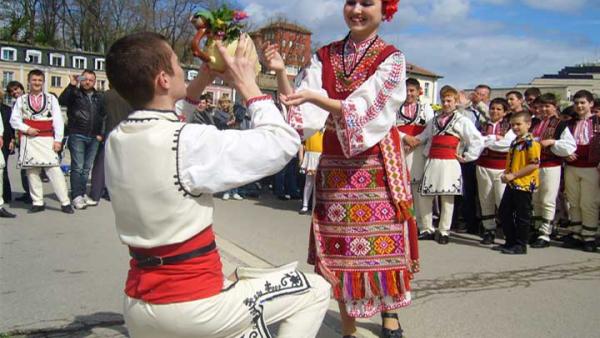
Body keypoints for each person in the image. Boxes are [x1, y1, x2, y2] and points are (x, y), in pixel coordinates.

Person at [104, 31, 329, 338]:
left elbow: (168, 119)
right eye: (176, 63)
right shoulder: (188, 142)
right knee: (315, 289)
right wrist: (247, 85)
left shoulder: (119, 138)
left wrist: (203, 77)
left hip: (139, 306)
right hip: (194, 306)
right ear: (163, 80)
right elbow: (283, 143)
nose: (185, 68)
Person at [266, 1, 419, 336]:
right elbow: (304, 113)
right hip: (336, 161)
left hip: (377, 160)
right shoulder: (326, 55)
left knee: (382, 243)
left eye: (368, 2)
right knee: (343, 248)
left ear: (385, 10)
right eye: (352, 1)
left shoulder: (392, 58)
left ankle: (389, 311)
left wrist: (319, 100)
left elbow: (371, 109)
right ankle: (349, 328)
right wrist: (280, 73)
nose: (357, 9)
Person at [417, 86, 484, 244]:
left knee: (447, 197)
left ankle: (444, 230)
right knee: (425, 195)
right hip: (433, 161)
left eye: (449, 100)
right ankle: (427, 228)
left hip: (450, 162)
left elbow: (477, 140)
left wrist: (467, 157)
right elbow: (424, 136)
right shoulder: (434, 120)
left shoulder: (462, 120)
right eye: (443, 100)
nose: (446, 103)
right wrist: (409, 140)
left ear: (455, 102)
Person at [9, 69, 74, 214]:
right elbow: (14, 120)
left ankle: (65, 202)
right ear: (29, 81)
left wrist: (58, 140)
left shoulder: (51, 99)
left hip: (47, 138)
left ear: (43, 82)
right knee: (32, 171)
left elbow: (58, 120)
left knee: (54, 170)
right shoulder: (21, 100)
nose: (37, 83)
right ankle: (37, 202)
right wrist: (26, 129)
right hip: (29, 138)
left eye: (39, 80)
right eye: (34, 80)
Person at [528, 93, 576, 248]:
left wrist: (553, 142)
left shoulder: (560, 124)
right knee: (536, 199)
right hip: (534, 166)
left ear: (554, 107)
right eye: (541, 106)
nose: (543, 109)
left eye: (547, 106)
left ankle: (546, 233)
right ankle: (537, 228)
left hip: (551, 165)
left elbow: (569, 146)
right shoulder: (534, 123)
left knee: (548, 199)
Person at [59, 69, 105, 210]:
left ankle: (82, 193)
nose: (87, 82)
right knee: (77, 167)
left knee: (86, 168)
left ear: (95, 82)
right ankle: (76, 196)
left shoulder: (99, 97)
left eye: (91, 80)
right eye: (85, 79)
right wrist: (72, 85)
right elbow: (62, 101)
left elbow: (103, 116)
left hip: (94, 136)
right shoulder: (75, 93)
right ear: (81, 79)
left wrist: (101, 133)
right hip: (77, 133)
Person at [496, 111, 541, 255]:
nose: (515, 127)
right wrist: (507, 174)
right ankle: (510, 241)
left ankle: (521, 244)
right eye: (513, 125)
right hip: (512, 183)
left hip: (524, 183)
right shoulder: (516, 141)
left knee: (522, 215)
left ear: (528, 124)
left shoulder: (531, 143)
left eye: (518, 124)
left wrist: (514, 175)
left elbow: (534, 165)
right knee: (504, 212)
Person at [395, 78, 434, 239]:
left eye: (412, 90)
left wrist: (415, 140)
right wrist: (404, 137)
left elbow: (431, 127)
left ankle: (425, 226)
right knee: (404, 189)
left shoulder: (426, 108)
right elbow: (389, 127)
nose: (409, 94)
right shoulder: (395, 108)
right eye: (406, 90)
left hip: (418, 151)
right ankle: (407, 221)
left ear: (419, 92)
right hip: (401, 150)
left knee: (420, 190)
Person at [562, 90, 599, 252]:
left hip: (591, 166)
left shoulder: (598, 121)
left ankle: (590, 235)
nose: (579, 106)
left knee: (588, 202)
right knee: (574, 201)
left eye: (583, 103)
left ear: (591, 104)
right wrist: (565, 153)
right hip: (572, 166)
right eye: (576, 103)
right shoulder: (569, 123)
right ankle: (576, 232)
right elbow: (561, 142)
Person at [476, 98, 515, 244]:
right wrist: (494, 139)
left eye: (499, 109)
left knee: (502, 200)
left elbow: (507, 145)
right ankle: (489, 230)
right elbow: (475, 142)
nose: (495, 111)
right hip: (483, 165)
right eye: (492, 108)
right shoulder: (482, 125)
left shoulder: (510, 127)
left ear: (505, 112)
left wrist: (487, 140)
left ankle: (507, 231)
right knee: (485, 199)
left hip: (502, 168)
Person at [87, 87, 132, 206]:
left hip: (109, 131)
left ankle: (95, 193)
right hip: (126, 132)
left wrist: (99, 132)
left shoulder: (106, 95)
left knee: (101, 163)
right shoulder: (131, 95)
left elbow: (99, 115)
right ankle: (116, 193)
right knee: (122, 164)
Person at [6, 81, 32, 204]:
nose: (15, 93)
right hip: (21, 138)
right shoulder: (15, 103)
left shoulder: (28, 101)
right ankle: (28, 192)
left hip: (30, 136)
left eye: (16, 89)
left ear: (22, 88)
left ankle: (31, 194)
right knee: (23, 167)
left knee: (29, 167)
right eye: (12, 92)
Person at [298, 129, 323, 214]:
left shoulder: (325, 127)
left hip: (321, 155)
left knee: (319, 183)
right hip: (310, 154)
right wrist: (301, 157)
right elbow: (302, 143)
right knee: (308, 182)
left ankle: (316, 206)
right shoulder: (309, 128)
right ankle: (305, 205)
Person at [1, 89, 16, 205]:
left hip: (4, 141)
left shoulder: (6, 109)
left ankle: (6, 195)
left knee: (3, 169)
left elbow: (11, 126)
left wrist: (12, 139)